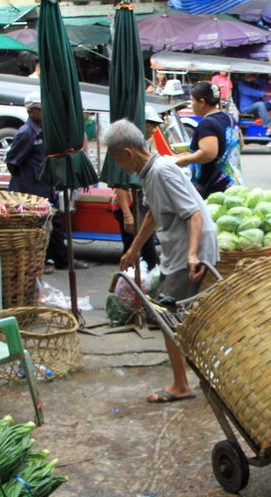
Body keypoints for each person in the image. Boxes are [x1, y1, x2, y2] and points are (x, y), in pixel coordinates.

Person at [101, 118, 219, 403]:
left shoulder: (163, 171)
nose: (119, 167)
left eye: (117, 160)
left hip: (191, 250)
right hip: (179, 251)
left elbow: (194, 213)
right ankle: (195, 379)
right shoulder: (150, 172)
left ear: (128, 154)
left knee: (169, 318)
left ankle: (183, 385)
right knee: (175, 317)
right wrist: (134, 250)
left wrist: (192, 255)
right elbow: (154, 213)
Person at [5, 91, 89, 272]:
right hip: (29, 188)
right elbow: (12, 162)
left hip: (44, 187)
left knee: (54, 224)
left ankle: (61, 260)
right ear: (32, 112)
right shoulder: (26, 133)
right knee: (35, 227)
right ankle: (40, 263)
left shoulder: (44, 131)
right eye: (42, 110)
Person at [111, 105, 164, 270]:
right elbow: (119, 184)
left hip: (141, 202)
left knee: (146, 247)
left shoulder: (145, 147)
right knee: (132, 247)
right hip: (128, 204)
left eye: (156, 126)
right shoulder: (126, 149)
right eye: (151, 125)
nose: (154, 130)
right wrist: (127, 215)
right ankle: (130, 282)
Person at [175, 82, 244, 199]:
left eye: (192, 101)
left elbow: (208, 153)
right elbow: (240, 144)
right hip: (236, 184)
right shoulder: (229, 119)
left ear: (201, 102)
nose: (191, 105)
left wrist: (185, 160)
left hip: (216, 191)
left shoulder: (207, 123)